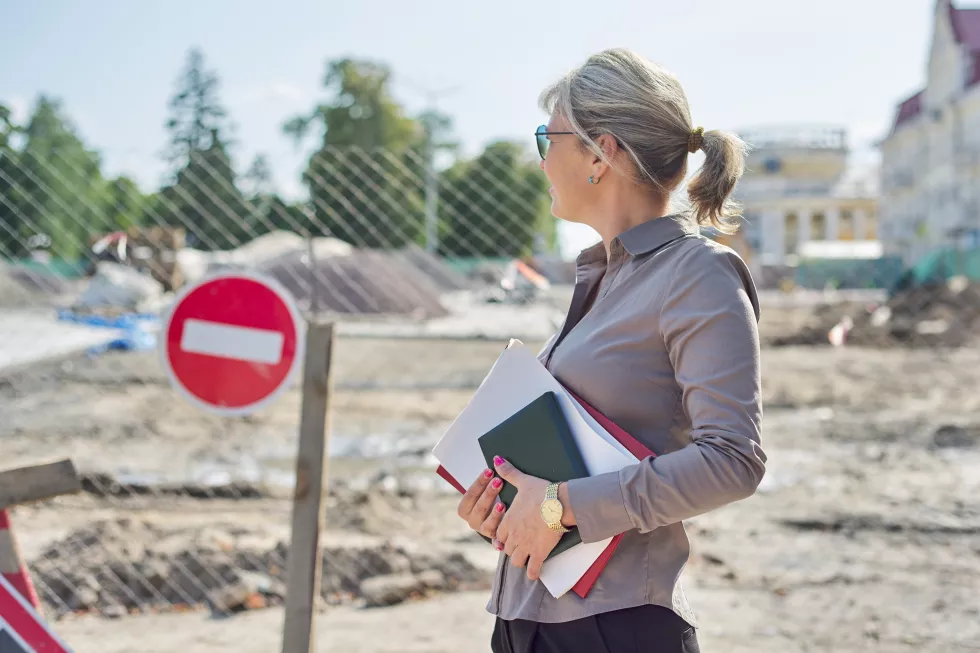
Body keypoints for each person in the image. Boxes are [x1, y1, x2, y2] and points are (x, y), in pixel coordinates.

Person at [456, 48, 767, 652]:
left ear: (602, 153)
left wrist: (559, 508)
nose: (541, 158)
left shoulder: (698, 274)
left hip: (616, 629)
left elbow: (733, 459)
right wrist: (506, 509)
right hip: (526, 619)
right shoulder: (604, 277)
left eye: (549, 136)